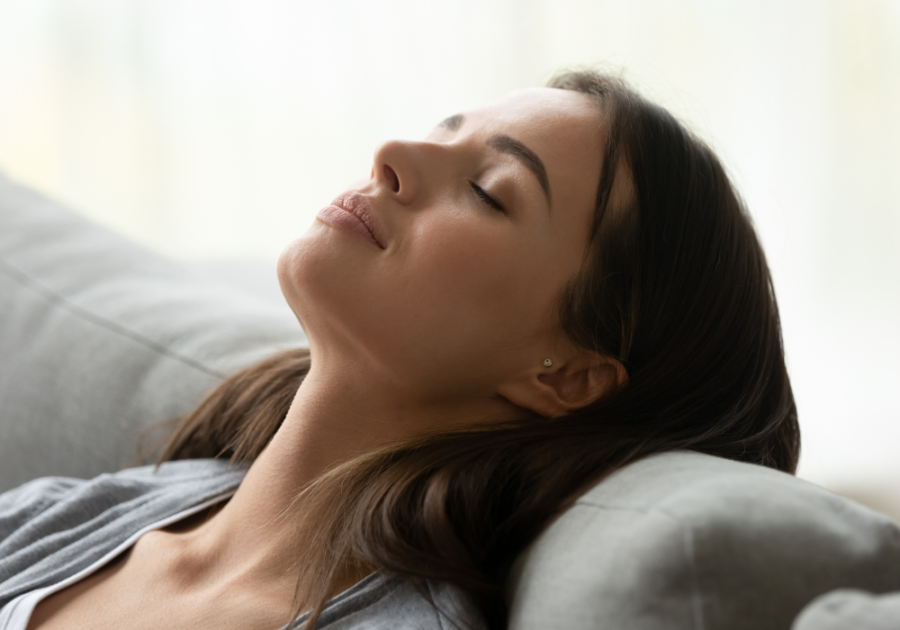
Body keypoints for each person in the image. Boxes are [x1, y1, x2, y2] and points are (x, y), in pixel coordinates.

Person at [0, 70, 798, 630]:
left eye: (490, 191)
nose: (391, 154)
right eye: (440, 133)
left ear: (568, 376)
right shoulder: (77, 517)